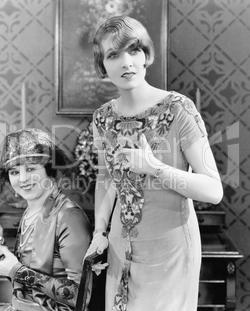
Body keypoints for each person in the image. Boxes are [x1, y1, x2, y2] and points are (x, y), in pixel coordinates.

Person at [84, 16, 223, 311]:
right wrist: (99, 232)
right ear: (102, 66)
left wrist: (153, 168)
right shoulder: (102, 118)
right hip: (122, 248)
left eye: (134, 50)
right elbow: (106, 179)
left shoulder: (179, 108)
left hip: (171, 249)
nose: (126, 62)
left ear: (146, 56)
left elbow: (213, 190)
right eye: (113, 55)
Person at [0, 128, 92, 311]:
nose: (22, 179)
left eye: (30, 169)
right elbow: (25, 285)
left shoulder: (68, 217)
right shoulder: (30, 212)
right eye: (14, 172)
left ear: (49, 171)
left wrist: (16, 270)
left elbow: (80, 296)